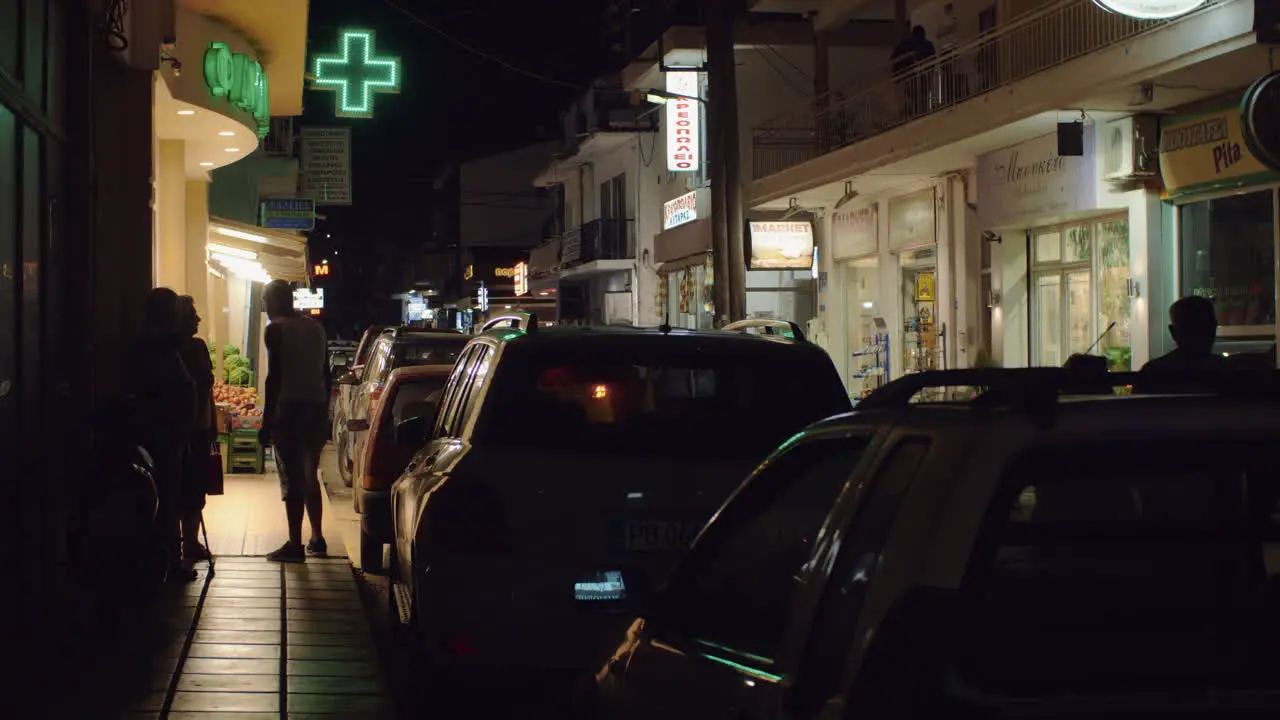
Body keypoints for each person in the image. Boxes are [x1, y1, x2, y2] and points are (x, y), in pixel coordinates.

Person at [260, 280, 331, 563]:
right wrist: (325, 409)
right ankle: (317, 536)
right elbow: (325, 373)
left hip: (288, 409)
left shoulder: (275, 330)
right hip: (315, 407)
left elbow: (273, 377)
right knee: (310, 472)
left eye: (265, 301)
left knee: (291, 478)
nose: (264, 307)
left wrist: (266, 420)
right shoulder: (315, 328)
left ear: (275, 301)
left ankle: (295, 543)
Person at [134, 288, 199, 581]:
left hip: (171, 434)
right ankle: (165, 563)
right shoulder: (157, 347)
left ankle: (167, 561)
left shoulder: (165, 347)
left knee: (170, 497)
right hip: (163, 435)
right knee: (165, 499)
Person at [176, 296, 215, 565]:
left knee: (194, 487)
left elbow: (207, 389)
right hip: (180, 428)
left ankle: (189, 541)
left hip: (198, 426)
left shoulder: (198, 347)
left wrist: (211, 422)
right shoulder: (176, 352)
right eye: (192, 314)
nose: (197, 319)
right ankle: (183, 543)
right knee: (184, 486)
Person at [1140, 296, 1227, 373]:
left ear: (1173, 332)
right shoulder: (1229, 370)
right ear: (1213, 328)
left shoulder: (1153, 372)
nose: (1196, 337)